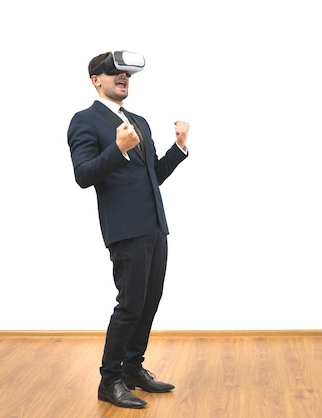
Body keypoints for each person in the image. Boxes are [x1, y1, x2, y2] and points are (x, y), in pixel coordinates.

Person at [67, 51, 189, 409]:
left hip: (154, 227)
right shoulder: (85, 121)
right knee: (130, 304)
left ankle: (133, 369)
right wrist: (118, 150)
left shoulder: (140, 121)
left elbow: (153, 176)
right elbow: (83, 175)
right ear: (96, 80)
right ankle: (110, 380)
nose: (123, 79)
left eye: (126, 76)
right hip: (125, 228)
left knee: (149, 301)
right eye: (113, 73)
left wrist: (178, 149)